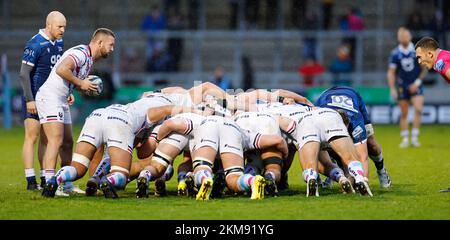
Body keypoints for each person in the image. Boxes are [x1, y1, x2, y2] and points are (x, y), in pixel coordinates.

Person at [36, 28, 115, 195]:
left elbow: (69, 77)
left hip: (61, 99)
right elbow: (62, 69)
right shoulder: (80, 53)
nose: (112, 49)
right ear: (99, 43)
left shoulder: (89, 60)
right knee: (55, 140)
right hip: (50, 98)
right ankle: (50, 183)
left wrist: (77, 89)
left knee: (68, 143)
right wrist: (81, 83)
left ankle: (66, 183)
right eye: (110, 45)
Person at [19, 11, 65, 191]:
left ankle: (45, 177)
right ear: (49, 25)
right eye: (59, 27)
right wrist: (30, 100)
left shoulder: (59, 43)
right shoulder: (35, 43)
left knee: (47, 139)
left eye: (64, 27)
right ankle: (31, 180)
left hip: (51, 98)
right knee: (32, 136)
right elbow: (23, 74)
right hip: (35, 97)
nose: (62, 30)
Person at [316, 86, 392, 188]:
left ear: (348, 125)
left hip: (352, 94)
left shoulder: (356, 122)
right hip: (325, 96)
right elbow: (312, 149)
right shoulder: (321, 119)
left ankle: (381, 171)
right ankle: (333, 174)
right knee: (327, 145)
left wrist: (363, 181)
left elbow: (362, 157)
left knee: (371, 144)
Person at [388, 27, 428, 148]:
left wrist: (417, 83)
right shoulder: (395, 54)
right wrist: (392, 88)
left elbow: (424, 68)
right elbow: (391, 72)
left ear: (410, 37)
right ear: (399, 38)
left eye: (406, 35)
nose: (404, 37)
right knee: (404, 113)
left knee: (418, 109)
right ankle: (405, 138)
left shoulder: (417, 51)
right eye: (402, 36)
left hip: (416, 85)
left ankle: (415, 137)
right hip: (402, 86)